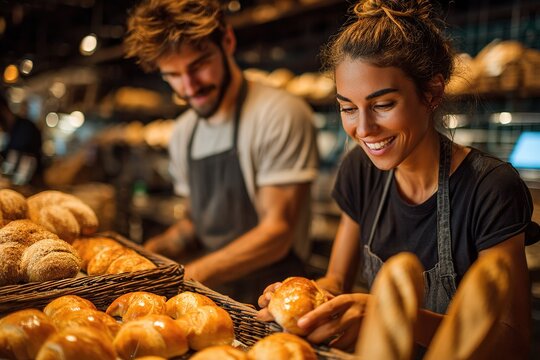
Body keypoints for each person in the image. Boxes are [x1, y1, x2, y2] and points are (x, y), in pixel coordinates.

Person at [257, 0, 536, 357]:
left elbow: (512, 341)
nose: (363, 129)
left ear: (432, 93)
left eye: (383, 105)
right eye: (347, 108)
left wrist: (390, 314)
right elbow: (336, 282)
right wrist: (306, 299)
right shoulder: (359, 170)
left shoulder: (491, 188)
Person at [124, 0, 319, 304]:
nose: (189, 87)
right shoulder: (184, 132)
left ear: (227, 41)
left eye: (198, 66)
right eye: (173, 75)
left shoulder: (278, 113)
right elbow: (194, 224)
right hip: (211, 296)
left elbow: (276, 234)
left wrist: (188, 275)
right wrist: (150, 252)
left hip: (275, 300)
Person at [0, 90, 43, 186]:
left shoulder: (26, 129)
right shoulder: (11, 130)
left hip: (29, 187)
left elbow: (26, 161)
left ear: (3, 110)